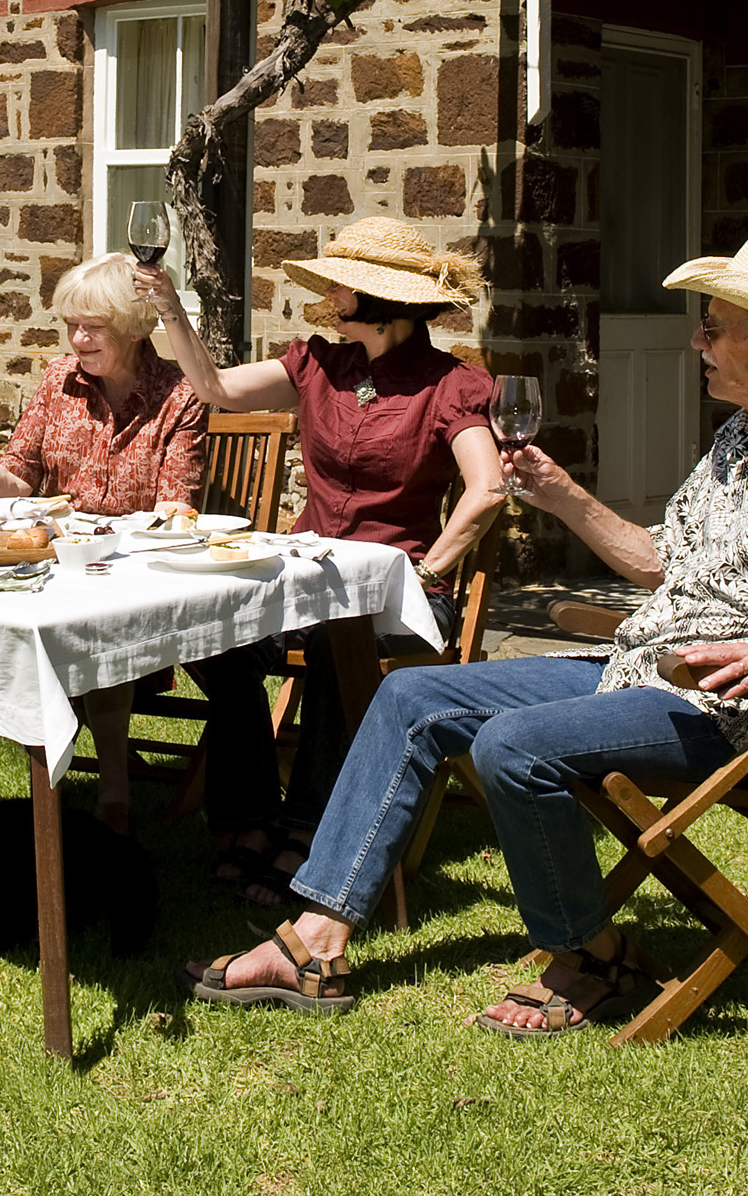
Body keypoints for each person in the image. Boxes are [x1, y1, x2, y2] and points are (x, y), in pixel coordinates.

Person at [178, 223, 748, 1037]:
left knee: (513, 746)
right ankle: (315, 937)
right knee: (411, 696)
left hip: (746, 714)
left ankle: (591, 955)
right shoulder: (741, 439)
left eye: (712, 327)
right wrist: (563, 495)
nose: (697, 342)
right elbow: (657, 562)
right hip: (645, 668)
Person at [135, 215, 506, 906]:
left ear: (380, 300)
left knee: (346, 643)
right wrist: (170, 310)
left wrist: (427, 574)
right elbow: (213, 388)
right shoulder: (317, 363)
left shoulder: (451, 385)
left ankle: (309, 828)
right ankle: (248, 816)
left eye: (343, 285)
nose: (330, 293)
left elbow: (486, 488)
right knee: (219, 641)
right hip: (309, 579)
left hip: (401, 591)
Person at [0, 252, 210, 831]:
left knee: (96, 622)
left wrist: (110, 537)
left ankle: (111, 787)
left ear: (133, 326)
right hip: (52, 560)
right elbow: (19, 478)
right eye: (70, 325)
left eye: (93, 327)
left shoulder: (178, 395)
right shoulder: (56, 383)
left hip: (133, 574)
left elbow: (177, 507)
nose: (77, 339)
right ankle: (58, 772)